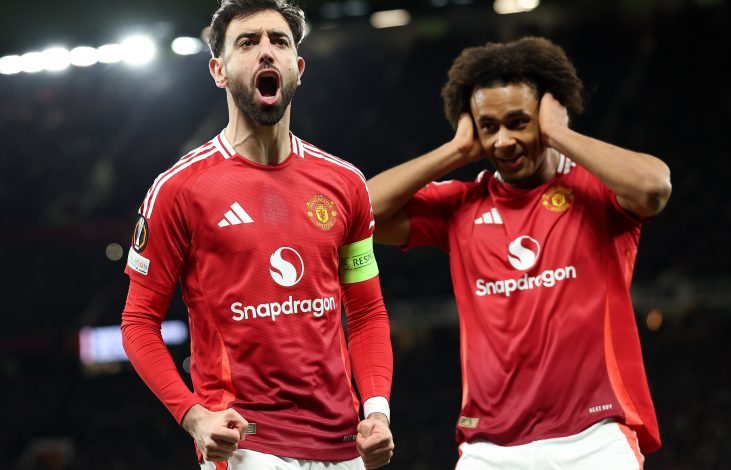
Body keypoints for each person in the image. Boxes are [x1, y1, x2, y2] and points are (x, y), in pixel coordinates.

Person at [367, 36, 671, 469]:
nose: (504, 141)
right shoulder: (461, 205)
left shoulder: (596, 191)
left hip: (595, 439)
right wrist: (455, 151)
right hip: (490, 448)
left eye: (518, 122)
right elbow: (361, 213)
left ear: (547, 117)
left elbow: (654, 187)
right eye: (489, 127)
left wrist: (559, 135)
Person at [120, 1, 394, 468]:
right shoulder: (179, 189)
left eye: (279, 41)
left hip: (345, 443)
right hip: (247, 445)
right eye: (248, 42)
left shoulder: (346, 184)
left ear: (298, 68)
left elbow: (366, 312)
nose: (266, 52)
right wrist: (194, 417)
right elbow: (138, 323)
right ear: (219, 70)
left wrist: (378, 412)